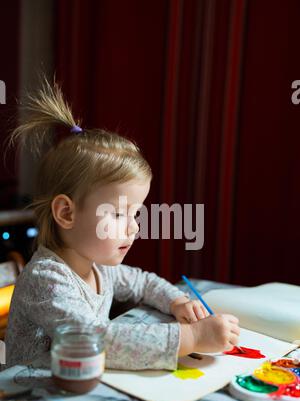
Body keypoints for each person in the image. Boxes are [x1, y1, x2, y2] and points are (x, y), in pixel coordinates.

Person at [4, 78, 240, 370]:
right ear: (66, 213)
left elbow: (143, 282)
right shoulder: (46, 280)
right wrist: (190, 337)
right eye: (117, 214)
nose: (133, 228)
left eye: (135, 214)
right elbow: (96, 340)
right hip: (28, 399)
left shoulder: (97, 265)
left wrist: (177, 302)